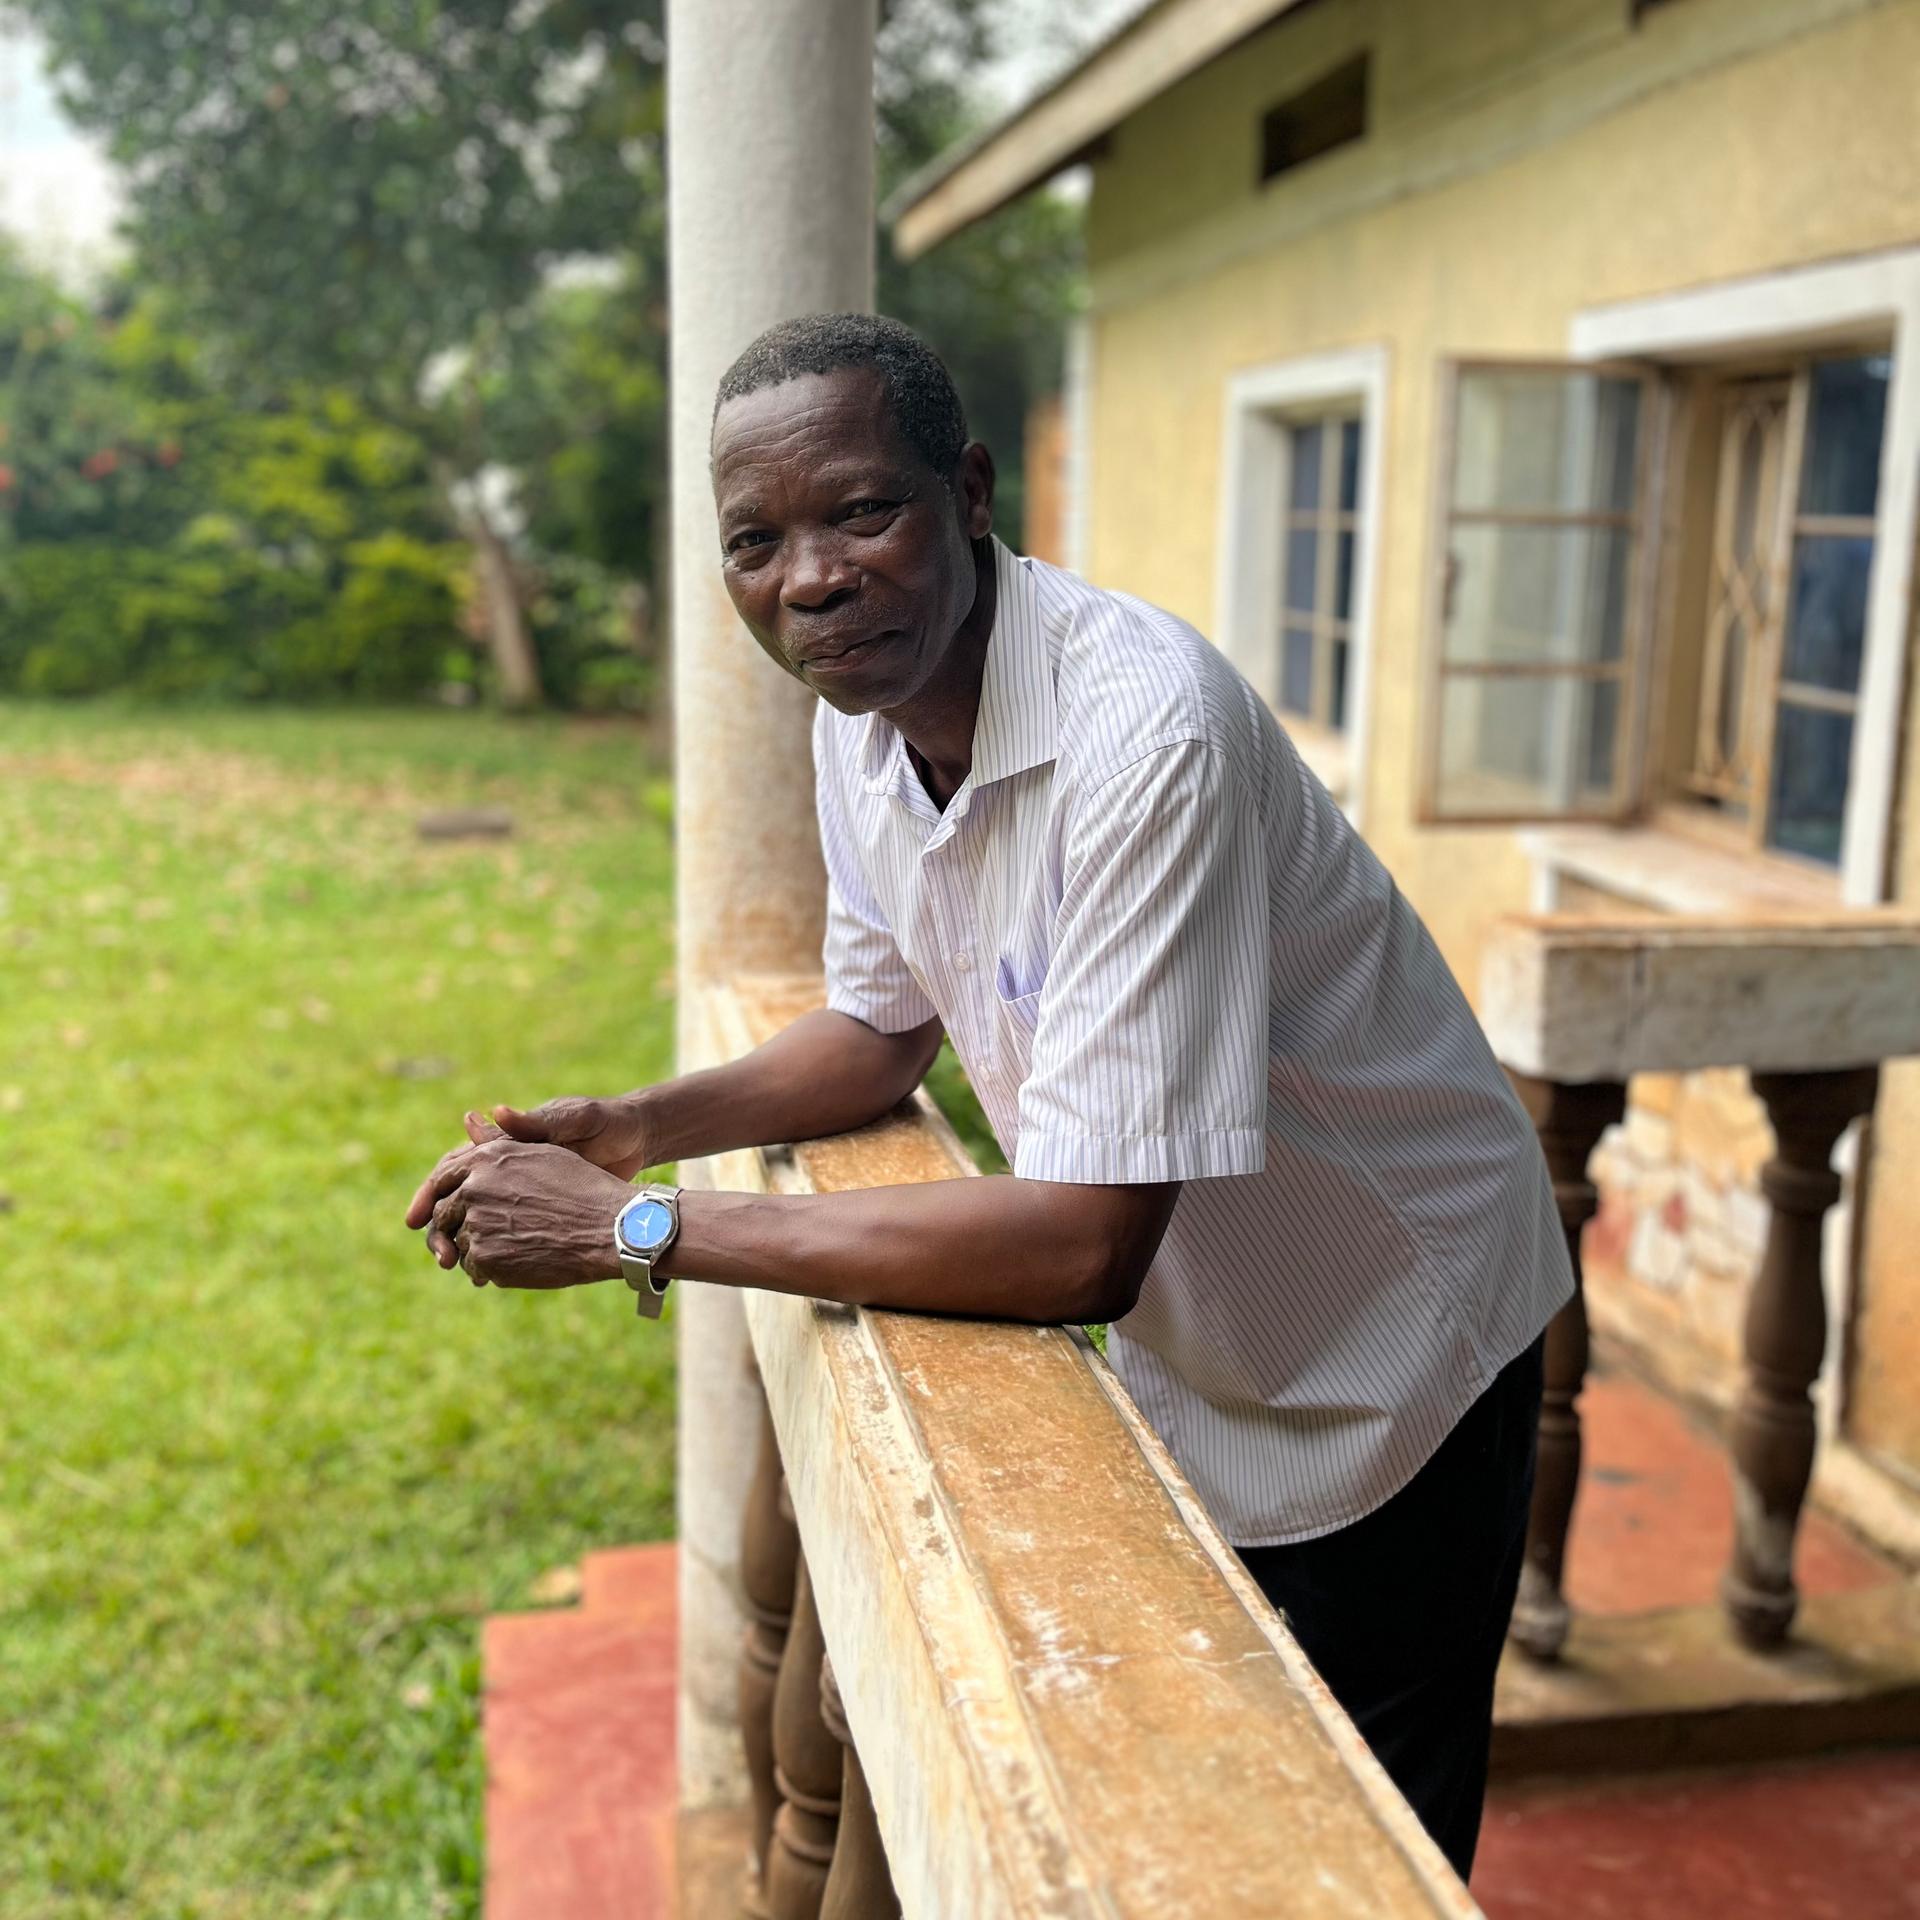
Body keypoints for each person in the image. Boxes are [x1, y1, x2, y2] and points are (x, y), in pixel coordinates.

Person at [404, 313, 1567, 1880]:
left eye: (860, 511)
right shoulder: (861, 721)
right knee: (1189, 1811)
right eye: (757, 541)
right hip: (1210, 1351)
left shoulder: (1142, 734)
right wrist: (645, 1122)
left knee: (1354, 1850)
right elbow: (882, 1031)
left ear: (969, 492)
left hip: (1399, 1336)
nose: (810, 578)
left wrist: (645, 1228)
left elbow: (1084, 1249)